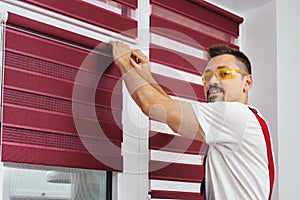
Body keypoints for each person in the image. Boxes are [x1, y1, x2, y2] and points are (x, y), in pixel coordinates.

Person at [110, 41, 275, 200]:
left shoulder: (234, 115)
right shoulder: (244, 121)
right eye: (207, 77)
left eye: (224, 74)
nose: (212, 82)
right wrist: (146, 75)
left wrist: (124, 62)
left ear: (247, 83)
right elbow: (170, 113)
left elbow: (152, 105)